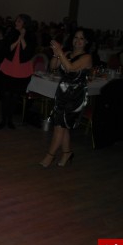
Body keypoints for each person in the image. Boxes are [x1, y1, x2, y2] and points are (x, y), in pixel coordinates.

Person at [40, 29, 93, 167]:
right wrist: (56, 53)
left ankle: (49, 156)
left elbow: (70, 68)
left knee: (59, 125)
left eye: (81, 38)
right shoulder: (68, 53)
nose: (78, 40)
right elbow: (53, 66)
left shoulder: (87, 57)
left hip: (75, 96)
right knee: (63, 125)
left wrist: (60, 52)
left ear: (86, 41)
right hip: (62, 92)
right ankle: (67, 153)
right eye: (76, 37)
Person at [0, 14, 36, 129]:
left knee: (15, 96)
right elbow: (7, 49)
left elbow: (28, 52)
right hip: (9, 67)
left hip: (21, 70)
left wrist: (22, 38)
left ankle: (10, 120)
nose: (16, 23)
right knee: (6, 94)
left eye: (19, 21)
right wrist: (18, 38)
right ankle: (3, 120)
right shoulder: (12, 33)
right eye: (16, 21)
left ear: (25, 24)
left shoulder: (31, 36)